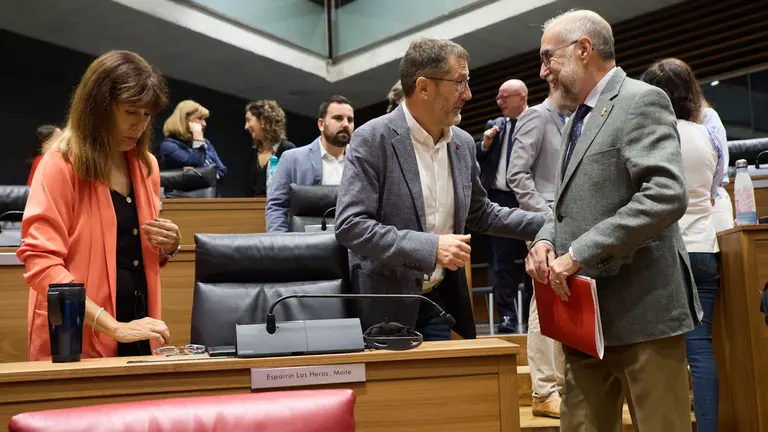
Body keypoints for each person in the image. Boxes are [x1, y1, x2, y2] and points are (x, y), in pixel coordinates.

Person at [526, 10, 701, 431]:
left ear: (583, 49)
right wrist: (544, 241)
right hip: (584, 321)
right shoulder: (576, 119)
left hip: (644, 313)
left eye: (549, 58)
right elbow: (562, 206)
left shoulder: (642, 100)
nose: (543, 71)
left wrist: (579, 252)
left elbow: (664, 196)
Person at [335, 37, 545, 341]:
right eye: (459, 82)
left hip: (437, 301)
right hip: (384, 307)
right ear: (423, 87)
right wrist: (431, 248)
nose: (468, 94)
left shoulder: (461, 144)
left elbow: (481, 213)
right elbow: (351, 227)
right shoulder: (372, 139)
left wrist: (549, 222)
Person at [17, 50, 181, 360]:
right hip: (77, 335)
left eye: (147, 115)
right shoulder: (60, 165)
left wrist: (168, 245)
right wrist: (114, 327)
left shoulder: (147, 166)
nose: (140, 126)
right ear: (98, 108)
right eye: (131, 111)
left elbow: (132, 254)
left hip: (139, 327)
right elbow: (42, 265)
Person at [641, 57, 721, 432]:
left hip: (666, 251)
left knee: (658, 351)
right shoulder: (706, 132)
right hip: (706, 248)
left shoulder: (651, 134)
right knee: (701, 348)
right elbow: (716, 186)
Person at [506, 80, 572, 418]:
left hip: (575, 224)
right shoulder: (535, 116)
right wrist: (546, 218)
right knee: (544, 301)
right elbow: (516, 175)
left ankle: (561, 385)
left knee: (567, 299)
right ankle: (543, 390)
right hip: (545, 223)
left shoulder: (580, 118)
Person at [476, 79, 530, 333]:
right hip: (500, 200)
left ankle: (533, 315)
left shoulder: (537, 122)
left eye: (504, 97)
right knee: (503, 262)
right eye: (498, 97)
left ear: (521, 97)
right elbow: (479, 159)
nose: (499, 102)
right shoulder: (494, 126)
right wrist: (485, 145)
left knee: (535, 257)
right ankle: (507, 317)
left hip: (530, 200)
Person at [265, 95, 354, 232]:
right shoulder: (292, 159)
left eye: (350, 120)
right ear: (321, 124)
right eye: (338, 118)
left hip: (351, 245)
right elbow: (277, 207)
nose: (345, 124)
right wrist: (282, 246)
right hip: (307, 247)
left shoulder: (361, 161)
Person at [159, 100, 228, 180]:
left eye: (204, 119)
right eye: (199, 118)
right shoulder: (168, 145)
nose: (204, 123)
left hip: (209, 191)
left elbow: (222, 170)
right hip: (183, 192)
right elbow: (196, 162)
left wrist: (207, 175)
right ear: (185, 120)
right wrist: (198, 138)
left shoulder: (206, 143)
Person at [244, 100, 296, 197]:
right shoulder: (252, 153)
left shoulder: (287, 150)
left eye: (248, 120)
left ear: (263, 120)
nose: (246, 127)